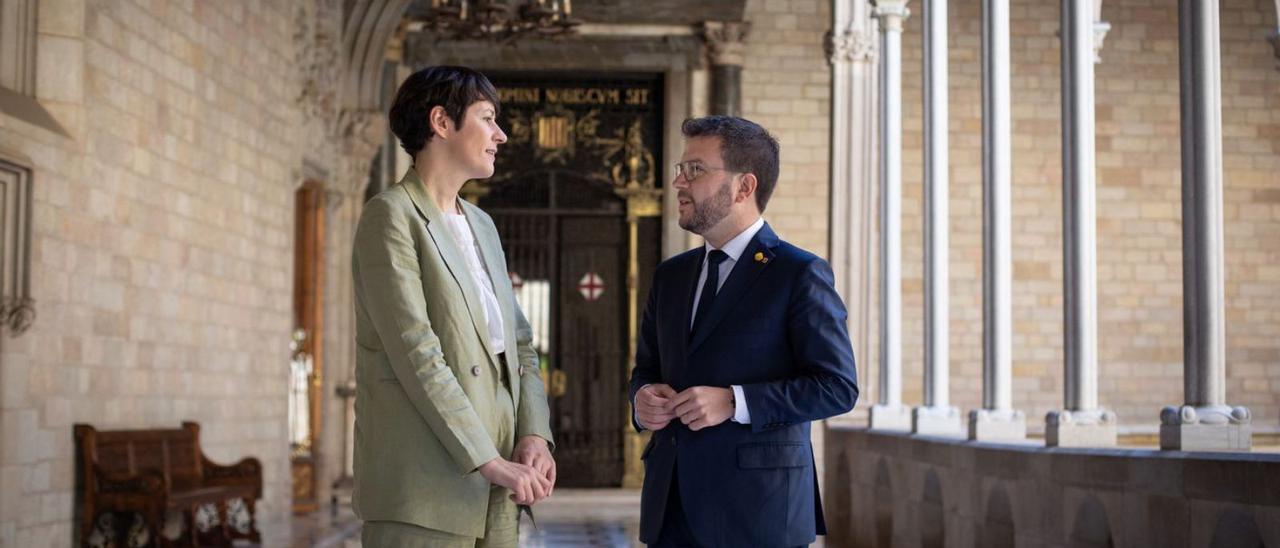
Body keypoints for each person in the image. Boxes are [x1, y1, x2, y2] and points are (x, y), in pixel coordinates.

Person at [629, 115, 859, 547]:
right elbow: (646, 369)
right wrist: (641, 401)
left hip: (759, 513)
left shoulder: (799, 273)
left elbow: (837, 387)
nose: (678, 181)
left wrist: (735, 401)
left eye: (694, 170)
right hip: (670, 510)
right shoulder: (670, 277)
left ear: (744, 187)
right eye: (680, 169)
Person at [352, 65, 556, 548]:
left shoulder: (483, 224)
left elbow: (521, 345)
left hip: (502, 481)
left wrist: (534, 435)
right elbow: (416, 352)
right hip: (423, 486)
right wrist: (486, 458)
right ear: (441, 122)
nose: (500, 135)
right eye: (488, 118)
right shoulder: (391, 216)